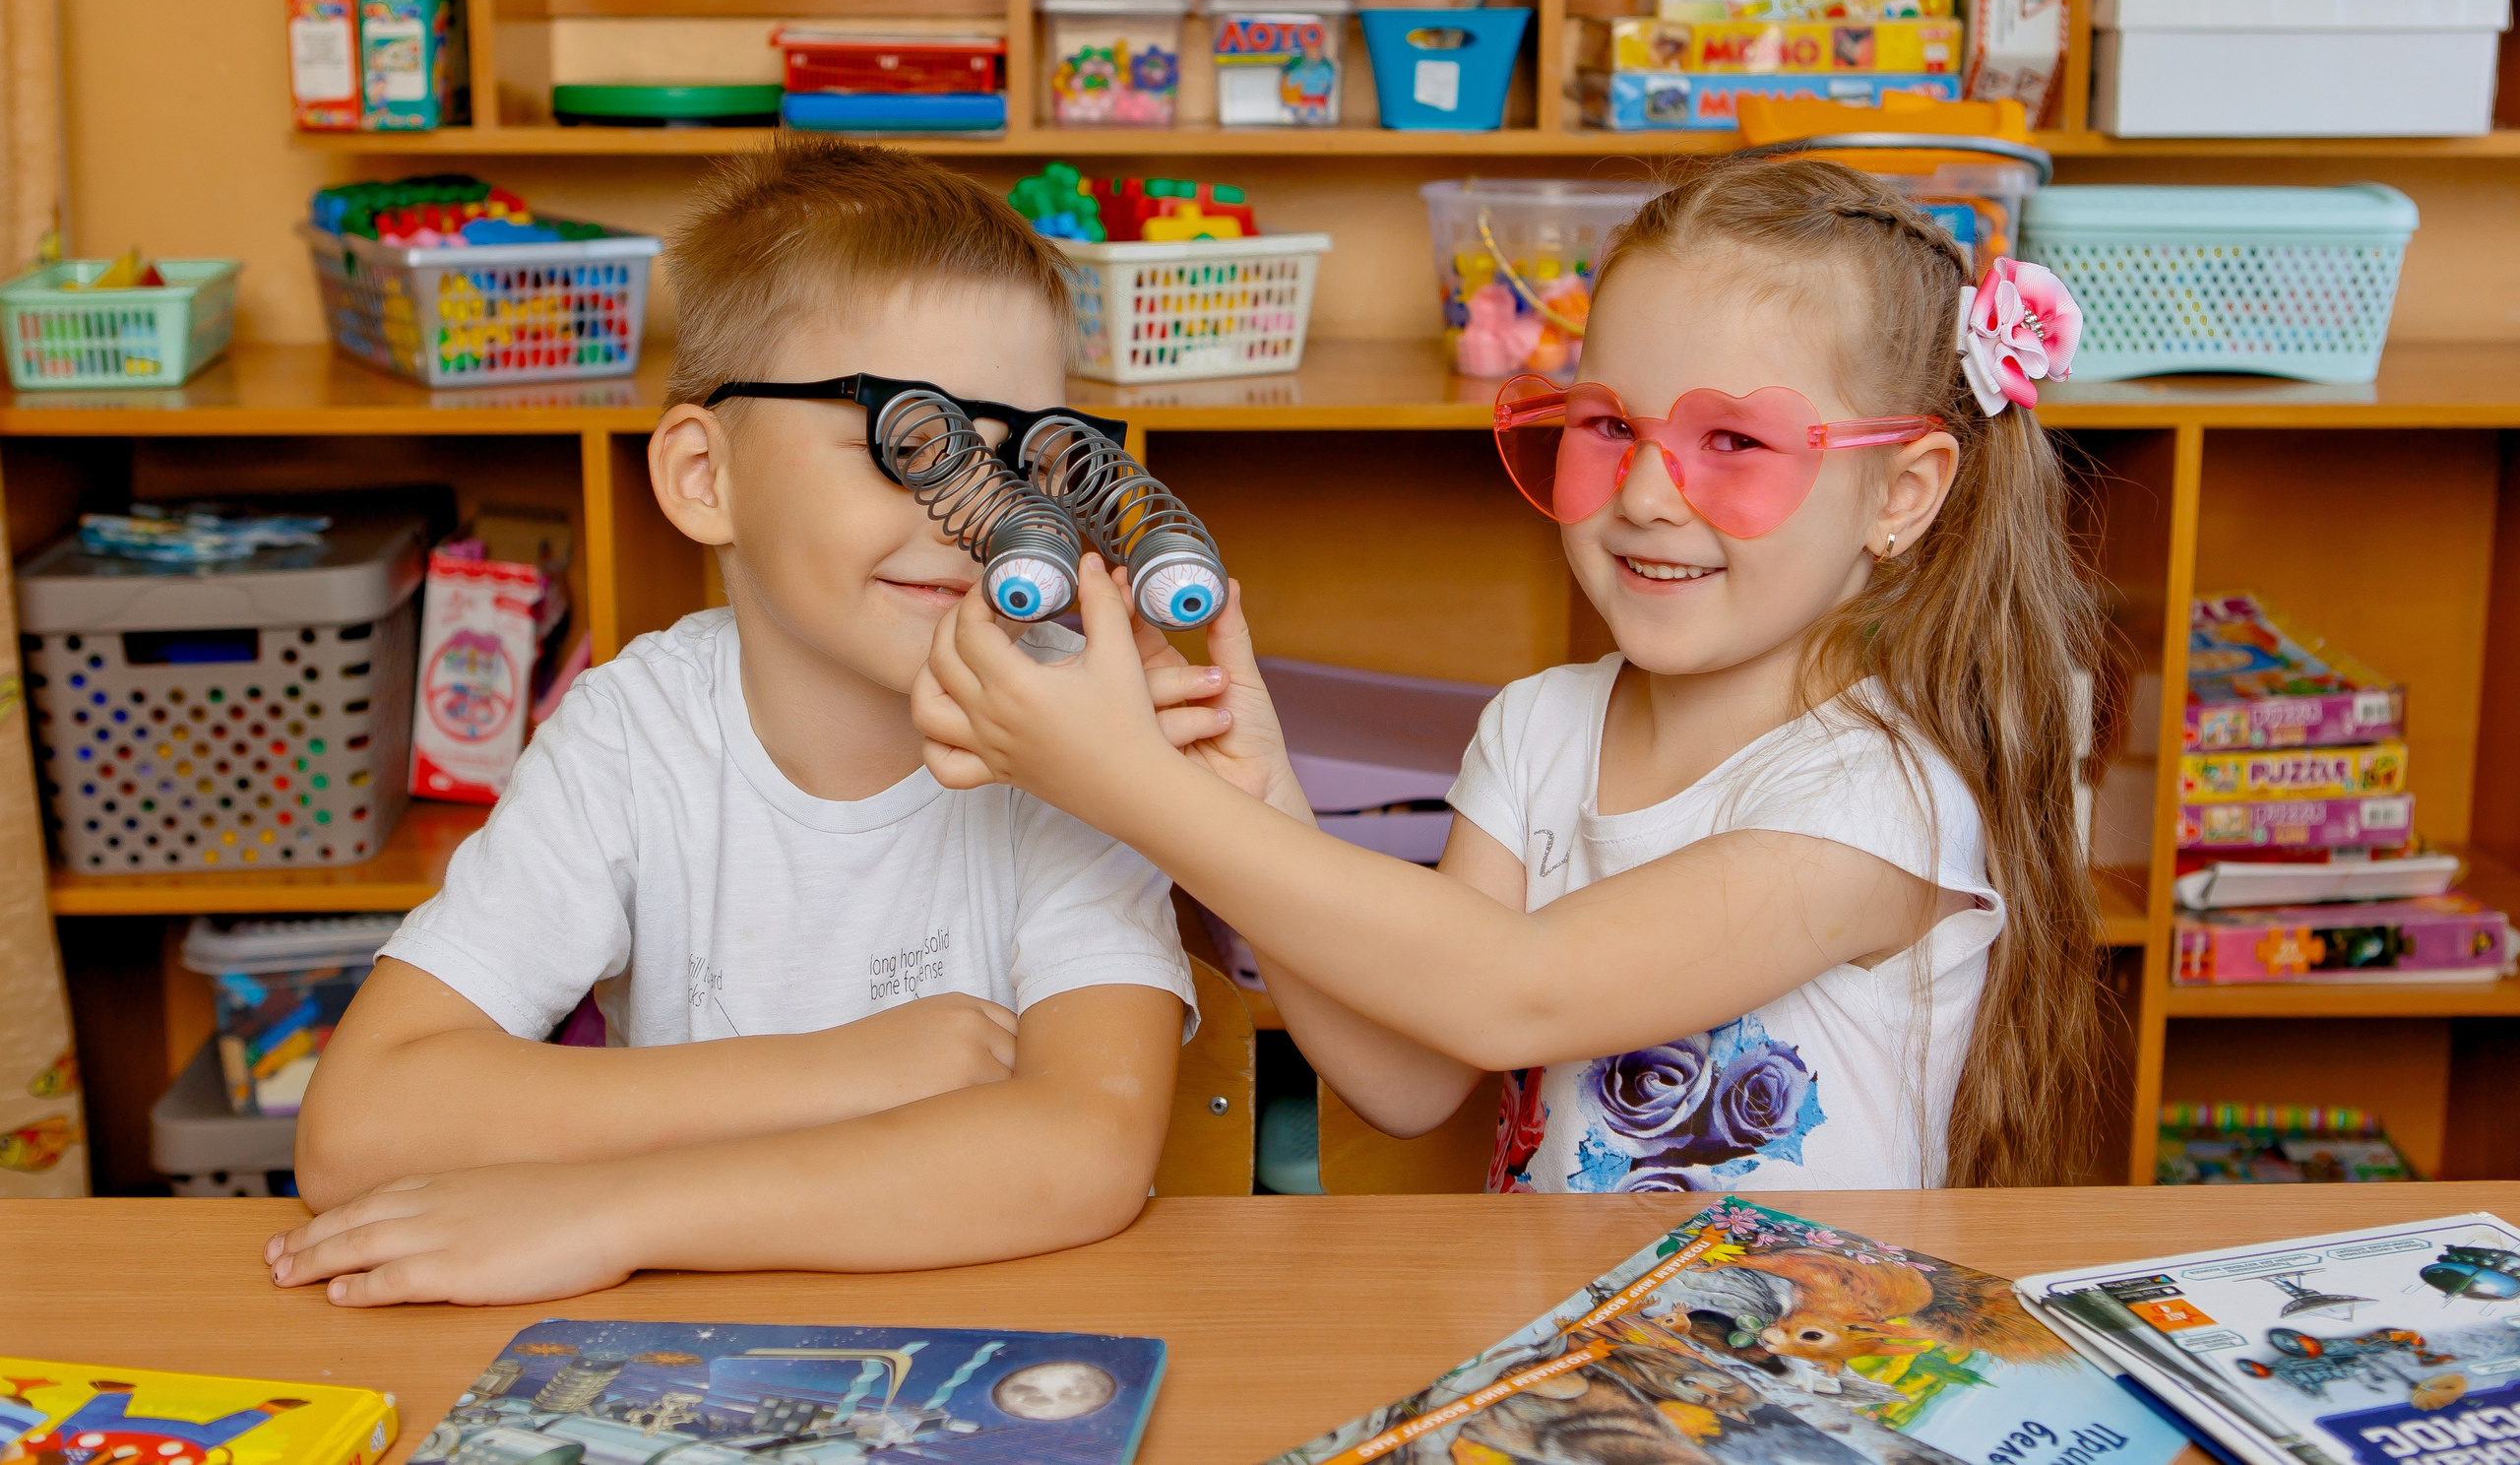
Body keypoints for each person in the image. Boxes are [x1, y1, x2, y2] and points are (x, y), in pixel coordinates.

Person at [916, 158, 2107, 1194]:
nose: (1646, 495)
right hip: (1574, 1371)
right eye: (1605, 425)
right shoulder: (1539, 729)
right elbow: (1415, 1073)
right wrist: (1254, 797)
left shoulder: (1878, 794)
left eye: (1732, 443)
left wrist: (1130, 789)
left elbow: (1512, 995)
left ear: (1900, 494)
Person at [274, 139, 1221, 1306]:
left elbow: (1086, 1150)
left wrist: (609, 1211)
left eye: (1021, 460)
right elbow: (360, 1127)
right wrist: (837, 1074)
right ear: (703, 478)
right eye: (908, 444)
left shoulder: (1083, 737)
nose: (976, 519)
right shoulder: (634, 733)